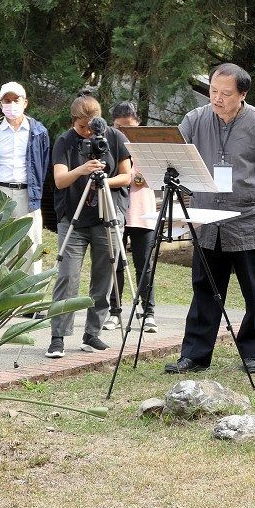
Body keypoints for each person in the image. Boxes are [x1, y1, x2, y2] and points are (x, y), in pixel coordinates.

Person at [165, 63, 255, 374]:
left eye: (225, 93)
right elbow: (177, 161)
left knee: (254, 292)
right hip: (207, 221)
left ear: (243, 94)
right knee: (204, 289)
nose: (217, 98)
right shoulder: (195, 119)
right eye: (213, 91)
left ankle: (252, 352)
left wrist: (252, 199)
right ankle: (195, 355)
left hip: (248, 221)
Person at [46, 90, 132, 358]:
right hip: (73, 216)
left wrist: (104, 179)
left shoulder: (114, 136)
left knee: (105, 276)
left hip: (107, 215)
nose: (86, 132)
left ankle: (92, 334)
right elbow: (60, 181)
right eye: (81, 127)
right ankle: (58, 336)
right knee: (68, 276)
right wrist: (82, 170)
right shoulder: (64, 141)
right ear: (73, 121)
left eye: (91, 126)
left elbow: (127, 177)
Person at [0, 82, 50, 285]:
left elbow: (42, 166)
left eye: (16, 100)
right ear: (1, 105)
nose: (12, 105)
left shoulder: (38, 132)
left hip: (27, 194)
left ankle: (29, 298)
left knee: (31, 245)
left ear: (25, 103)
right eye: (7, 101)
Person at [105, 101, 158, 334]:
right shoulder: (107, 142)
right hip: (115, 210)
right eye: (118, 126)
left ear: (138, 124)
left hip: (142, 211)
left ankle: (148, 314)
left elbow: (151, 177)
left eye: (128, 127)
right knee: (114, 264)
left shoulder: (148, 145)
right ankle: (114, 313)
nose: (122, 132)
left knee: (143, 265)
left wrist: (133, 176)